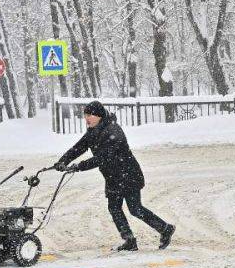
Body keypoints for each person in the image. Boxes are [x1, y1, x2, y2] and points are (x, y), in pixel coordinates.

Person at [55, 100, 175, 251]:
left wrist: (78, 166)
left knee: (135, 209)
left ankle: (165, 228)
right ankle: (129, 240)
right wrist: (62, 161)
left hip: (128, 175)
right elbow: (79, 147)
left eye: (90, 115)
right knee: (114, 207)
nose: (87, 118)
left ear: (99, 116)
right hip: (112, 177)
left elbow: (103, 158)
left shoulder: (113, 131)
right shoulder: (93, 131)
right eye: (85, 115)